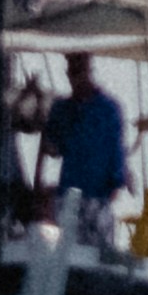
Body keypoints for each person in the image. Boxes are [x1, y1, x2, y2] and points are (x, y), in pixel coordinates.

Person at [41, 52, 129, 248]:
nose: (76, 78)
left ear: (89, 71)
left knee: (97, 254)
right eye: (72, 73)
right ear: (68, 74)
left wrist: (117, 181)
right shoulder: (61, 109)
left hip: (98, 197)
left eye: (80, 71)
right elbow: (52, 147)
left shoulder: (108, 109)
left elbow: (117, 149)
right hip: (68, 198)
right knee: (67, 251)